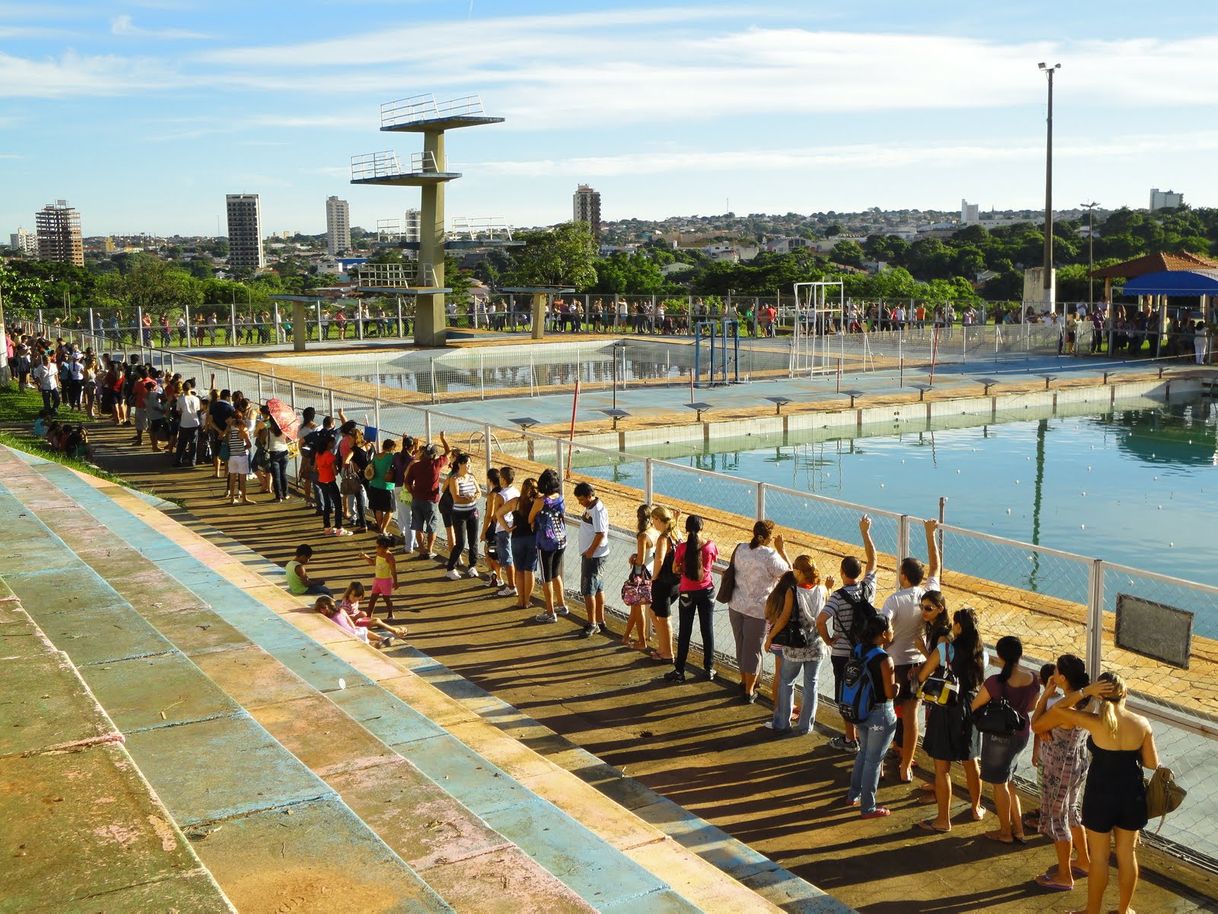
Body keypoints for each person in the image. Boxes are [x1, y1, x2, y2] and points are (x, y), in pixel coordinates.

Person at [1038, 672, 1159, 914]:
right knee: (1127, 855)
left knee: (1100, 858)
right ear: (1125, 693)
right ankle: (1123, 911)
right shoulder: (1142, 723)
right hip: (1131, 794)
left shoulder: (1093, 721)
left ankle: (1092, 910)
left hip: (1100, 795)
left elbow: (1059, 711)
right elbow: (1152, 763)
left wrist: (1085, 692)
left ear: (1100, 696)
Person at [881, 518, 942, 782]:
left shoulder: (894, 599)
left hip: (894, 664)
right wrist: (931, 535)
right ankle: (906, 765)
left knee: (884, 713)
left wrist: (888, 638)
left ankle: (879, 762)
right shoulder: (928, 595)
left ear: (903, 576)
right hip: (919, 666)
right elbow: (937, 566)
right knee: (911, 716)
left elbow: (883, 628)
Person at [916, 605, 985, 833]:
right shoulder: (980, 652)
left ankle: (943, 819)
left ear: (957, 626)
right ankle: (976, 807)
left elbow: (923, 674)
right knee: (971, 760)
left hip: (946, 707)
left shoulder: (945, 649)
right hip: (970, 707)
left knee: (942, 766)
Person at [1030, 654, 1095, 893]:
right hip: (1077, 763)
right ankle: (1084, 861)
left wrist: (1047, 693)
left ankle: (1064, 875)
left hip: (1057, 768)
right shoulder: (1088, 702)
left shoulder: (1062, 706)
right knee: (1071, 812)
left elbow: (1035, 725)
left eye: (1056, 671)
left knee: (1057, 820)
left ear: (1063, 678)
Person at [817, 515, 878, 753]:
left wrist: (828, 640)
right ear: (859, 572)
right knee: (866, 691)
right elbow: (874, 561)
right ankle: (867, 738)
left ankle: (850, 739)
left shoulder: (837, 597)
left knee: (846, 694)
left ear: (842, 572)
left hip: (843, 653)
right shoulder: (868, 589)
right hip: (867, 653)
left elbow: (821, 620)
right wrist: (865, 532)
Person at [972, 635, 1040, 843]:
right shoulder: (1032, 678)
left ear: (999, 656)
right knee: (1010, 781)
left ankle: (1005, 832)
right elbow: (1031, 707)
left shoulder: (995, 682)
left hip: (998, 737)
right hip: (1021, 734)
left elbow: (975, 705)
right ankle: (1018, 829)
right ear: (1020, 654)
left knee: (999, 784)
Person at [765, 554, 831, 735]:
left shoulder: (792, 591)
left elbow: (784, 618)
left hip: (795, 646)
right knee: (812, 685)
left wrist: (771, 637)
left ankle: (782, 722)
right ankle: (806, 725)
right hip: (816, 645)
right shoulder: (823, 590)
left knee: (787, 682)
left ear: (799, 571)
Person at [727, 519, 790, 702]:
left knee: (741, 645)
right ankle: (749, 690)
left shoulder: (741, 549)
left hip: (736, 604)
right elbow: (789, 573)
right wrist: (781, 549)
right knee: (753, 649)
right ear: (765, 537)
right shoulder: (770, 555)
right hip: (758, 610)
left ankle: (744, 680)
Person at [846, 614, 898, 819]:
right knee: (874, 761)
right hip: (880, 713)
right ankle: (868, 807)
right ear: (884, 634)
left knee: (864, 753)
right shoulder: (884, 659)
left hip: (861, 711)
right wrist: (899, 686)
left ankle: (853, 794)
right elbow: (889, 692)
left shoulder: (858, 649)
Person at [664, 514, 718, 683]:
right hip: (707, 591)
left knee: (685, 631)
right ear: (701, 528)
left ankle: (680, 671)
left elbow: (675, 569)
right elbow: (711, 563)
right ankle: (709, 669)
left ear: (687, 530)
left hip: (687, 591)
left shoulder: (682, 548)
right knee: (707, 630)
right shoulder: (710, 546)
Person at [529, 468, 568, 622]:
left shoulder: (541, 501)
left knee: (546, 577)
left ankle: (550, 611)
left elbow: (530, 517)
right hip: (561, 539)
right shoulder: (560, 498)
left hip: (546, 541)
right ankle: (562, 604)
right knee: (555, 573)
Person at [497, 477, 540, 613]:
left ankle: (520, 599)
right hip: (532, 539)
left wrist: (507, 528)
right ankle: (527, 601)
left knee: (519, 570)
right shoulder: (537, 503)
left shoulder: (515, 502)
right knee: (529, 571)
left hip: (516, 538)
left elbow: (498, 514)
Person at [573, 481, 610, 638]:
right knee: (598, 588)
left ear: (590, 495)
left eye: (582, 499)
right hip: (594, 555)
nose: (580, 502)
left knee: (589, 590)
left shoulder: (598, 510)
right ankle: (600, 620)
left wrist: (590, 552)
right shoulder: (591, 507)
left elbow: (600, 533)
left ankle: (592, 623)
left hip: (594, 556)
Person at [405, 436, 450, 559]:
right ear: (434, 455)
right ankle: (430, 550)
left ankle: (422, 549)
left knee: (418, 526)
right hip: (431, 501)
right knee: (432, 527)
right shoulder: (436, 464)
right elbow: (448, 452)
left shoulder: (416, 466)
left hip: (417, 499)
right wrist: (443, 438)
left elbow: (407, 483)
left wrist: (413, 493)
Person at [645, 506, 680, 662]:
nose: (653, 524)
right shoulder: (676, 533)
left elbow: (659, 560)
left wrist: (653, 577)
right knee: (654, 613)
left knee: (664, 617)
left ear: (658, 519)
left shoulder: (663, 538)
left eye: (654, 520)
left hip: (663, 583)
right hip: (676, 582)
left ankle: (668, 652)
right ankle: (663, 647)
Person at [622, 504, 658, 650]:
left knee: (637, 609)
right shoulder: (655, 532)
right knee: (635, 608)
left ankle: (642, 642)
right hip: (651, 572)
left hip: (640, 575)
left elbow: (641, 560)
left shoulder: (642, 536)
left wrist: (634, 557)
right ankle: (625, 636)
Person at [443, 452, 482, 580]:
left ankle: (472, 566)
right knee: (460, 542)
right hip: (459, 514)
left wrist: (475, 497)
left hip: (472, 512)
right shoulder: (454, 479)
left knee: (473, 541)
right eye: (467, 464)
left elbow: (479, 492)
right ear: (460, 464)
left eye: (470, 464)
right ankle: (450, 568)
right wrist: (469, 499)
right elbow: (456, 498)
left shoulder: (471, 477)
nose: (469, 466)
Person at [314, 431, 350, 535]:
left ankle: (327, 527)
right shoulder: (330, 455)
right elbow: (335, 472)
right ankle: (338, 527)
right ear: (328, 444)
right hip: (330, 481)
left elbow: (315, 468)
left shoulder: (318, 454)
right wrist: (338, 468)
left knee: (327, 505)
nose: (334, 444)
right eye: (333, 442)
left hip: (322, 481)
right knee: (338, 505)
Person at [491, 466, 518, 597]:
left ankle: (512, 585)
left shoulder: (501, 496)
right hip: (514, 527)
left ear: (503, 479)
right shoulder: (516, 492)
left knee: (507, 559)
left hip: (503, 528)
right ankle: (513, 584)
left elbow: (496, 514)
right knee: (511, 557)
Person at [361, 536, 402, 620]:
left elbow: (393, 571)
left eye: (377, 546)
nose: (376, 548)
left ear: (382, 547)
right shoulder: (378, 554)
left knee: (386, 598)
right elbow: (373, 563)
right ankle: (369, 616)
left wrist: (396, 582)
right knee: (372, 599)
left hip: (386, 581)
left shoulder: (390, 557)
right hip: (377, 580)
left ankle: (390, 614)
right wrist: (366, 557)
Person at [366, 439, 398, 536]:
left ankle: (381, 528)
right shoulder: (391, 457)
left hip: (374, 485)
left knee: (378, 509)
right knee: (390, 510)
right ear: (392, 447)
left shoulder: (376, 456)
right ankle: (383, 530)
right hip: (387, 487)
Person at [225, 408, 255, 505]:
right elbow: (249, 445)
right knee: (242, 480)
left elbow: (228, 443)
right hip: (242, 457)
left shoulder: (230, 432)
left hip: (232, 457)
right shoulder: (242, 432)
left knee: (232, 479)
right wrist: (243, 448)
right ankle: (244, 499)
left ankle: (232, 499)